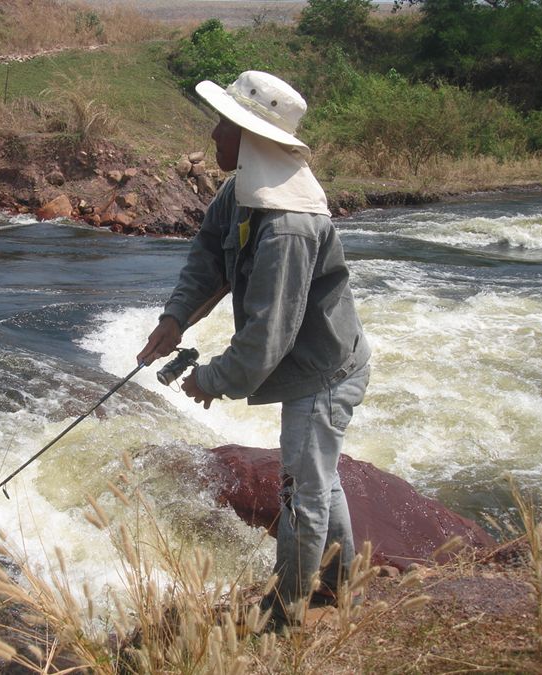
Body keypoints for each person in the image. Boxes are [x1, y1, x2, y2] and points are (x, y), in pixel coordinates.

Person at [136, 71, 371, 631]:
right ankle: (341, 589)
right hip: (308, 361)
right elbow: (208, 255)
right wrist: (175, 318)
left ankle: (287, 615)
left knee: (303, 491)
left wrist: (212, 379)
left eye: (225, 125)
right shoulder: (239, 190)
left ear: (253, 138)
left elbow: (270, 335)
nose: (214, 134)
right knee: (317, 480)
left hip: (323, 372)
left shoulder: (288, 225)